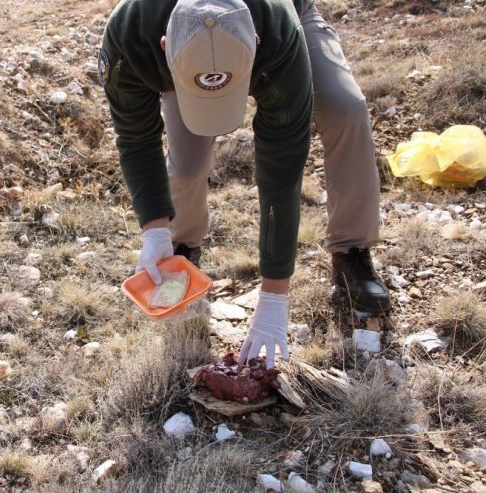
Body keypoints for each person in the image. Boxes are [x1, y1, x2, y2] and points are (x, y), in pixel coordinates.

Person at [99, 0, 390, 367]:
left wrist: (274, 296)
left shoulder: (278, 31)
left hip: (281, 27)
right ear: (163, 45)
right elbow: (136, 138)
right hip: (183, 56)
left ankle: (352, 252)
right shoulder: (130, 34)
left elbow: (281, 170)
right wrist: (154, 228)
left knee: (345, 108)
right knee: (187, 164)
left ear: (255, 40)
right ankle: (179, 245)